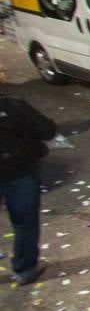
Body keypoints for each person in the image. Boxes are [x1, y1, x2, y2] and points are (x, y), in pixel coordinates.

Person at [0, 63, 57, 285]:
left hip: (17, 171)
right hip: (18, 171)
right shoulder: (12, 106)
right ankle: (24, 270)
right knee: (24, 224)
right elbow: (47, 130)